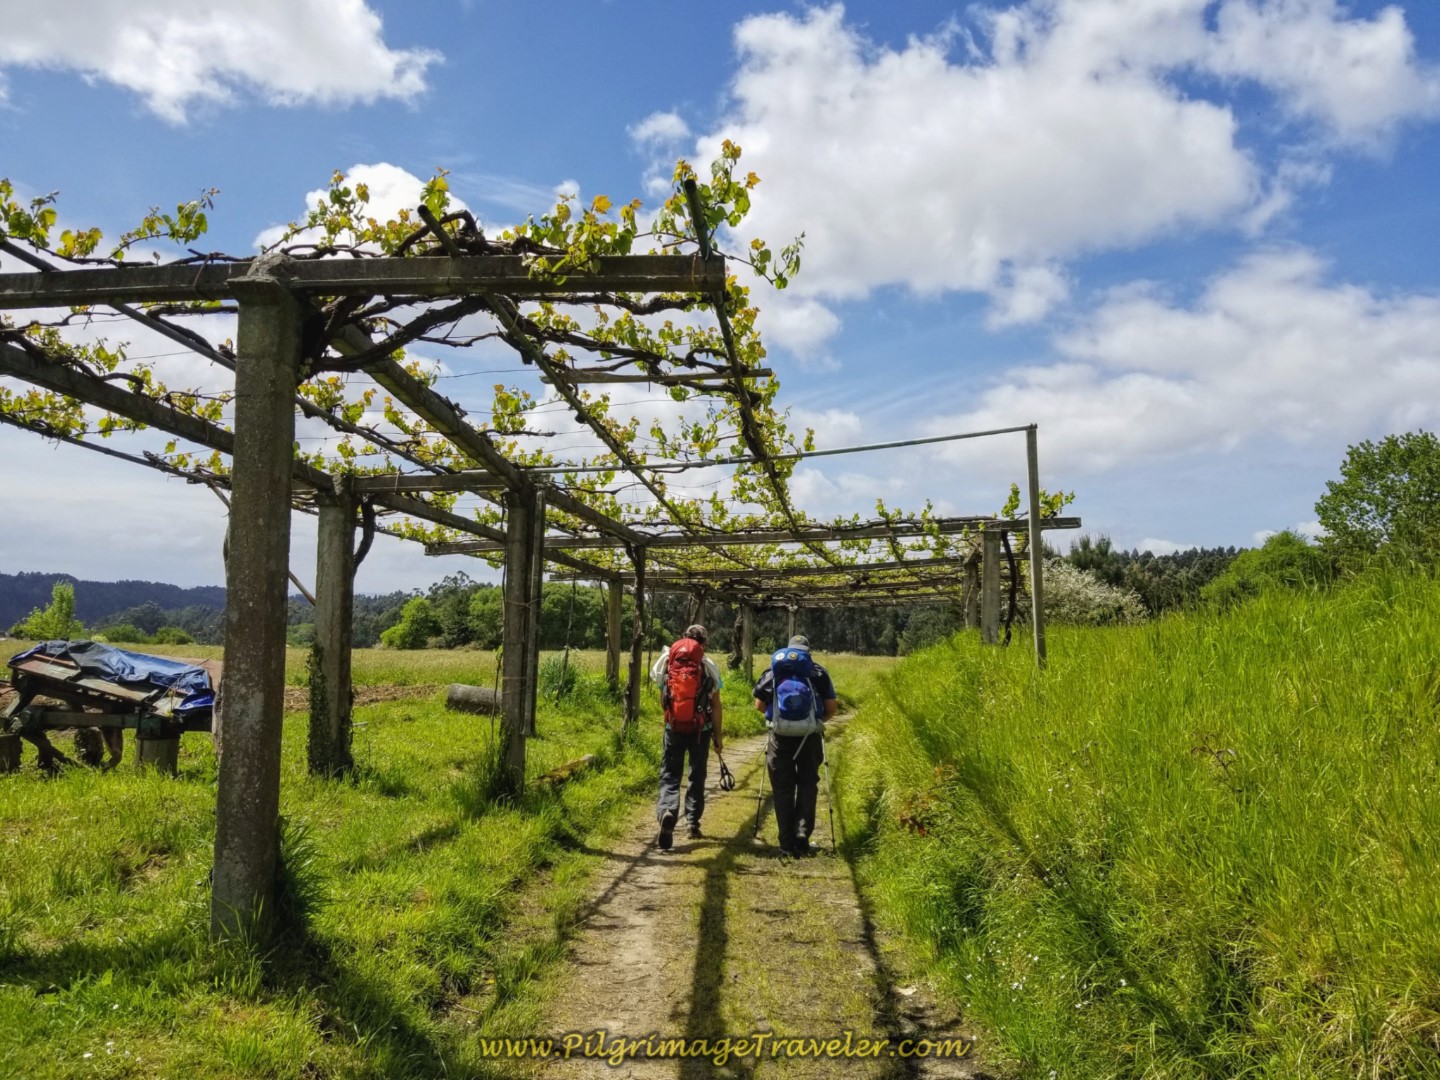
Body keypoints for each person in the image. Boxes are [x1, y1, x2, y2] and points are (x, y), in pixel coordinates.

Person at [753, 635, 838, 855]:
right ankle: (802, 834)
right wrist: (815, 723)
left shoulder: (773, 672)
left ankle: (785, 843)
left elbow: (759, 705)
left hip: (780, 737)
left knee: (782, 788)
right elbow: (831, 707)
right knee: (808, 784)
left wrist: (779, 720)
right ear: (808, 652)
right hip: (809, 737)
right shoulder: (818, 672)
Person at [650, 624, 725, 849]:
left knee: (670, 774)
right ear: (704, 642)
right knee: (697, 775)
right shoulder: (708, 665)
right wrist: (718, 737)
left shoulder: (666, 660)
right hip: (700, 730)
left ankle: (667, 811)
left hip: (673, 727)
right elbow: (716, 704)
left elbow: (662, 689)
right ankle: (692, 823)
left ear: (684, 638)